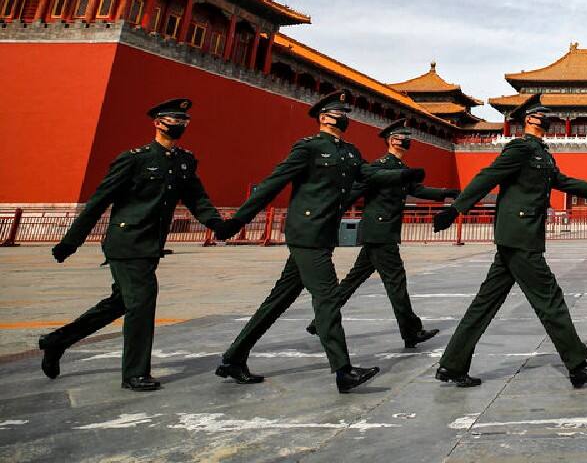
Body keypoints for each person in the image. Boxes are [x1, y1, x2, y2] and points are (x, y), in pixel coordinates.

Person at [215, 89, 426, 393]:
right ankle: (343, 370)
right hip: (306, 234)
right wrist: (237, 220)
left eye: (345, 113)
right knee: (327, 299)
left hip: (324, 234)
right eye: (339, 113)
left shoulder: (350, 152)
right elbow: (274, 182)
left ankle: (234, 357)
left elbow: (370, 175)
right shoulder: (308, 148)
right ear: (324, 117)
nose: (344, 118)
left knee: (277, 301)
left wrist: (404, 177)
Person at [431, 94, 587, 388]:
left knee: (484, 304)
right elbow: (487, 177)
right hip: (520, 237)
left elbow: (560, 181)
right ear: (529, 119)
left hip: (515, 237)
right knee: (549, 299)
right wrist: (456, 209)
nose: (548, 118)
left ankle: (451, 365)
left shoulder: (541, 152)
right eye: (542, 114)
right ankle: (577, 364)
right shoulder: (519, 148)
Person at [40, 98, 226, 391]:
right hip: (126, 242)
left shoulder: (184, 161)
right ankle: (135, 373)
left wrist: (219, 225)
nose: (177, 126)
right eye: (172, 121)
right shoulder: (134, 159)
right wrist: (70, 242)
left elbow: (196, 198)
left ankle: (56, 341)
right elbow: (99, 200)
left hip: (151, 244)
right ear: (157, 123)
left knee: (121, 303)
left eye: (183, 122)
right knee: (142, 301)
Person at [304, 118, 459, 348]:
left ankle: (319, 321)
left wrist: (446, 192)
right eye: (401, 137)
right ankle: (411, 331)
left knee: (352, 281)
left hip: (378, 234)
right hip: (380, 233)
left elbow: (418, 189)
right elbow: (355, 191)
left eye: (408, 138)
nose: (406, 141)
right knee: (396, 282)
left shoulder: (402, 169)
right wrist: (325, 213)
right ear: (391, 141)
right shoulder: (378, 167)